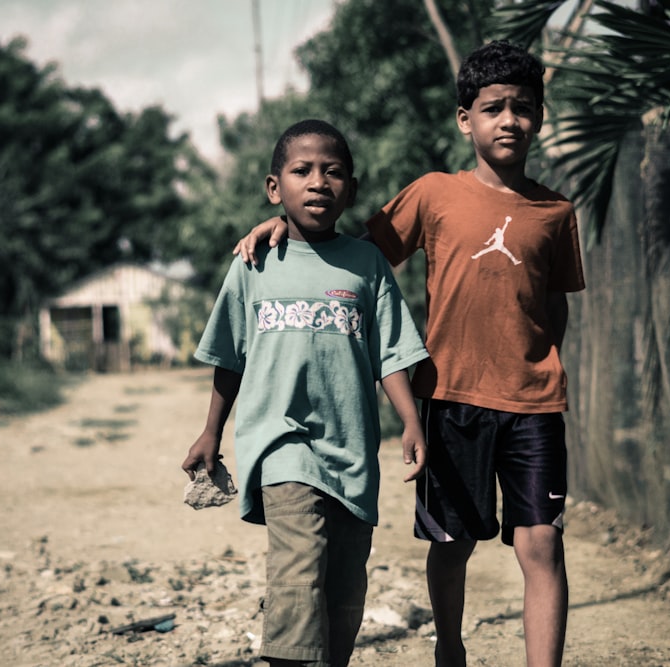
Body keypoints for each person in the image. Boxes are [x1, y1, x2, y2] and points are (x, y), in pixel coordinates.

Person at [233, 42, 585, 667]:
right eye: (494, 108)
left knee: (542, 546)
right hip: (449, 398)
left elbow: (554, 305)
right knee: (452, 545)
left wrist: (540, 366)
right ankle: (450, 648)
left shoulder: (556, 212)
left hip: (534, 403)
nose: (509, 120)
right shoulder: (433, 194)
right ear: (464, 119)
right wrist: (282, 225)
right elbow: (346, 253)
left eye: (524, 108)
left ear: (540, 116)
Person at [182, 119, 431, 667]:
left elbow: (390, 352)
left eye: (333, 171)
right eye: (303, 171)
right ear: (276, 189)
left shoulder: (366, 265)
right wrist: (210, 431)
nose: (318, 182)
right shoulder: (253, 263)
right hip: (281, 444)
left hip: (351, 447)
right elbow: (230, 355)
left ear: (352, 189)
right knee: (298, 565)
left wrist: (411, 421)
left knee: (344, 581)